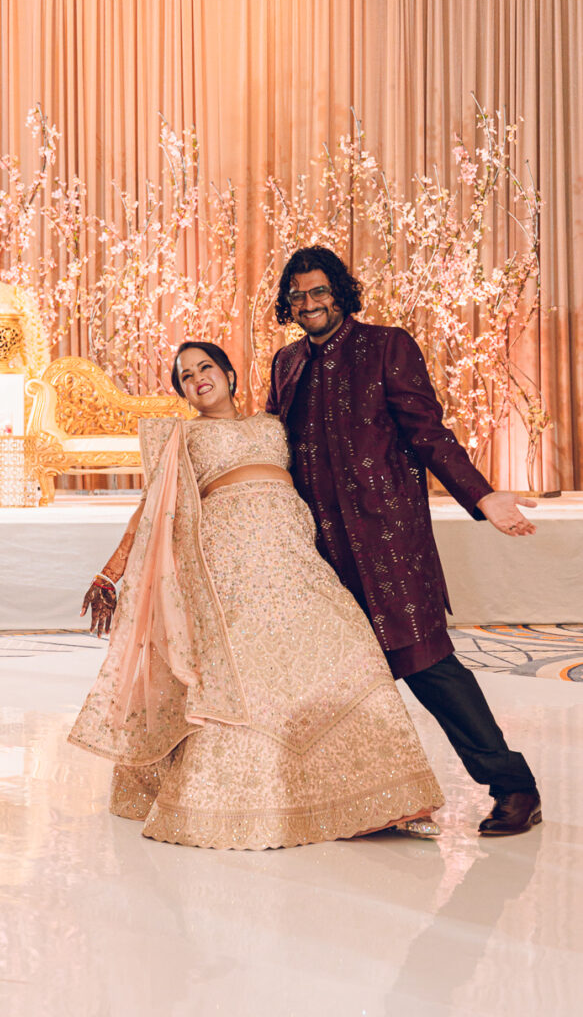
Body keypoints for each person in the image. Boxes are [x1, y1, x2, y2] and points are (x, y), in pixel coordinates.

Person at [69, 342, 445, 850]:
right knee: (245, 670)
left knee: (350, 649)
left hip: (292, 551)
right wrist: (111, 574)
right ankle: (247, 801)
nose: (198, 378)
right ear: (181, 391)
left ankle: (384, 797)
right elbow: (151, 512)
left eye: (206, 367)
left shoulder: (273, 425)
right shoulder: (182, 435)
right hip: (229, 560)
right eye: (185, 377)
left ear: (229, 374)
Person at [266, 245, 541, 837]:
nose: (309, 304)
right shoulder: (286, 365)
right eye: (298, 296)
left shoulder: (386, 347)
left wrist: (483, 495)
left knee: (428, 665)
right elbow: (274, 450)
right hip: (320, 549)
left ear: (340, 292)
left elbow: (427, 433)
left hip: (387, 541)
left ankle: (513, 786)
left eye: (319, 292)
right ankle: (367, 799)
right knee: (339, 677)